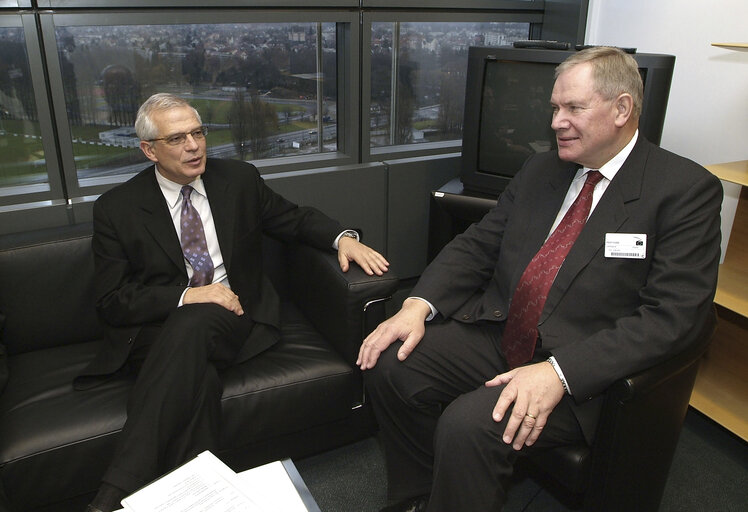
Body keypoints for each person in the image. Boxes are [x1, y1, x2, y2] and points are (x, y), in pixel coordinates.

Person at [358, 47, 722, 512]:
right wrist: (417, 306)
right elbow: (479, 244)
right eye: (554, 108)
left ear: (622, 109)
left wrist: (559, 373)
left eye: (573, 108)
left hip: (581, 367)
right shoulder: (541, 169)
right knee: (390, 363)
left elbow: (673, 317)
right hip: (504, 333)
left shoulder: (684, 191)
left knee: (468, 424)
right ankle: (417, 499)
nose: (555, 122)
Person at [80, 93, 389, 512]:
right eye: (177, 139)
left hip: (237, 320)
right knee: (198, 380)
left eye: (198, 132)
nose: (194, 146)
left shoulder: (238, 180)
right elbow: (112, 301)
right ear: (149, 150)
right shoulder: (116, 209)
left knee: (201, 317)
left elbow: (293, 219)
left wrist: (342, 238)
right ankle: (196, 500)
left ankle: (114, 493)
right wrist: (188, 294)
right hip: (158, 334)